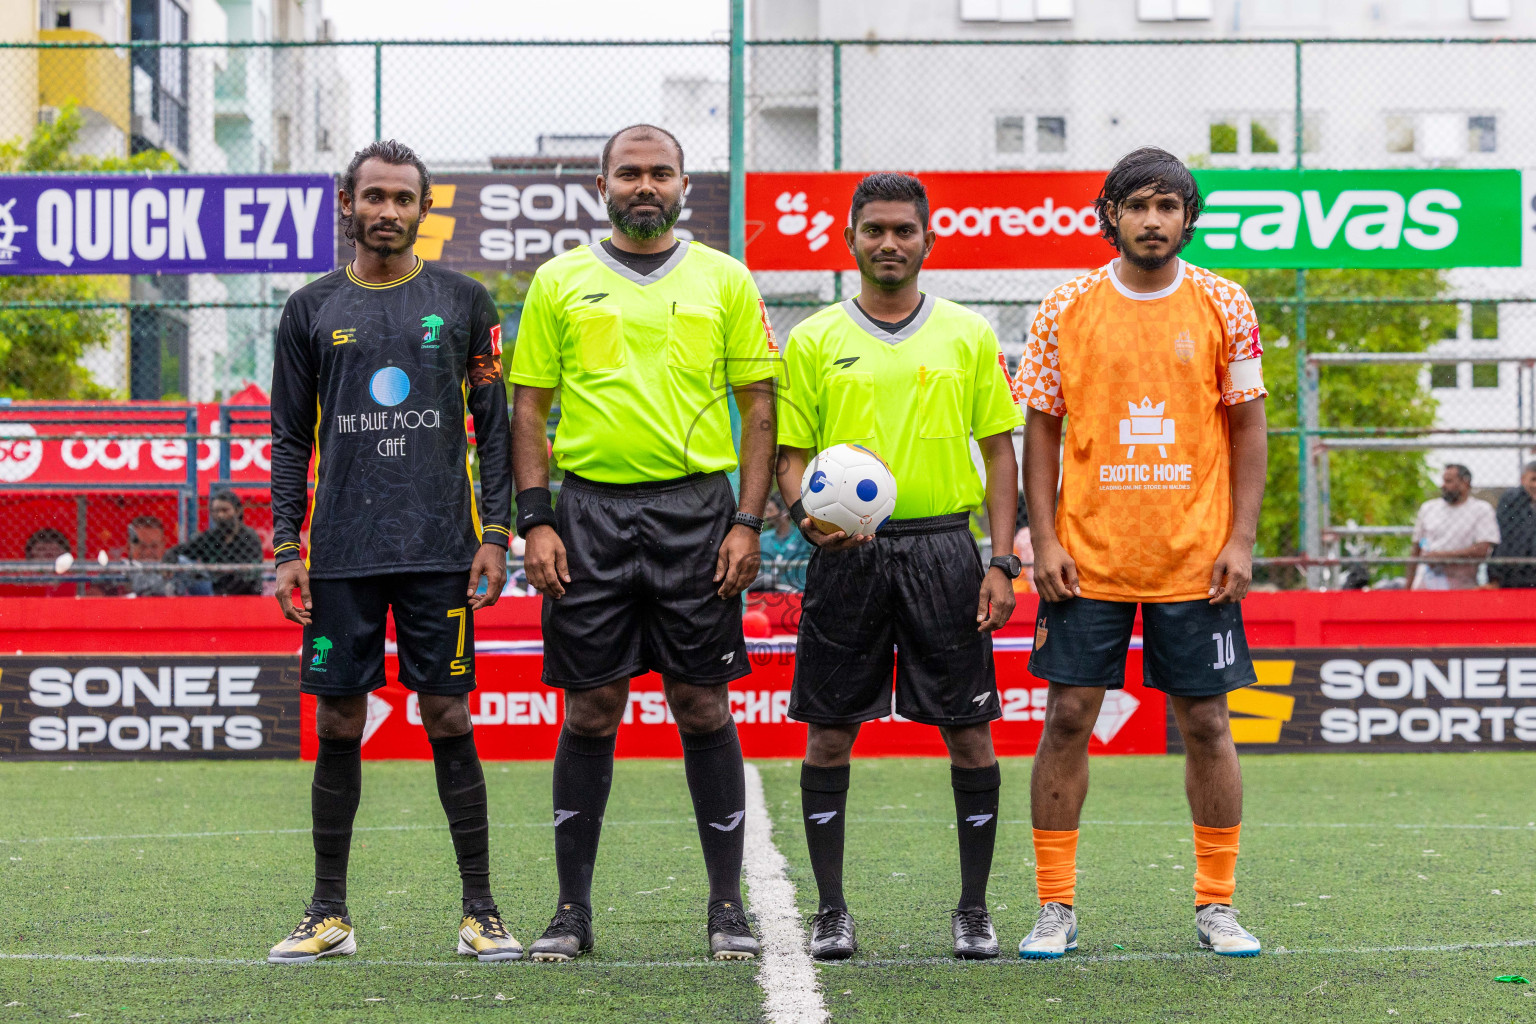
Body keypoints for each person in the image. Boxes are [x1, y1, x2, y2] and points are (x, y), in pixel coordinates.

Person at [509, 124, 778, 962]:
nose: (645, 185)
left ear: (684, 185)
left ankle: (727, 907)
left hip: (698, 515)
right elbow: (528, 409)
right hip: (587, 517)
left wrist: (746, 520)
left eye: (661, 172)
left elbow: (760, 407)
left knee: (702, 704)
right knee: (591, 708)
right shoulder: (559, 281)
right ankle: (570, 911)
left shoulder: (725, 280)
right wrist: (536, 517)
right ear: (603, 185)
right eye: (630, 173)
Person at [266, 139, 519, 965]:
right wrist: (283, 545)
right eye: (372, 196)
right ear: (348, 204)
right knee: (340, 719)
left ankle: (480, 910)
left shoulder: (465, 301)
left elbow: (496, 429)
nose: (387, 211)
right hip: (339, 554)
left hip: (441, 551)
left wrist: (494, 535)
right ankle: (327, 912)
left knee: (447, 712)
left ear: (421, 208)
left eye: (402, 199)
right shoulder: (308, 309)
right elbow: (287, 439)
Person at [1014, 148, 1268, 960]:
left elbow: (1250, 427)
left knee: (1206, 723)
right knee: (1066, 719)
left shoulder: (1225, 303)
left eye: (1168, 206)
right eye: (1137, 205)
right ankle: (1055, 907)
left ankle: (1216, 905)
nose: (1152, 220)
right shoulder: (1064, 307)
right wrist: (1043, 535)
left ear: (1188, 218)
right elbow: (1041, 430)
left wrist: (1240, 539)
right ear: (1110, 214)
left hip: (1196, 560)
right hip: (1085, 558)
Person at [775, 172, 1023, 961]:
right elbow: (789, 460)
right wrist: (806, 519)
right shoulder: (814, 339)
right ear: (849, 238)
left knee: (971, 736)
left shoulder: (967, 333)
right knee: (828, 737)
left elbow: (1000, 452)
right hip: (847, 559)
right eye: (874, 229)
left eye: (903, 230)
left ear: (927, 239)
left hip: (947, 550)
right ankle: (831, 910)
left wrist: (1003, 559)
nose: (889, 242)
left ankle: (974, 910)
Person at [1411, 464, 1500, 590]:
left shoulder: (1481, 510)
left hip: (1461, 585)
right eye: (1443, 481)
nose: (1443, 485)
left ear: (1465, 483)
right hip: (1425, 582)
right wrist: (1407, 587)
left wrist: (1442, 557)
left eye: (1449, 481)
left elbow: (1482, 549)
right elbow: (1415, 549)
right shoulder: (1429, 508)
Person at [171, 490, 263, 595]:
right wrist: (171, 556)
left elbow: (250, 575)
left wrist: (224, 594)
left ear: (237, 511)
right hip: (213, 590)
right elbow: (184, 551)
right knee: (182, 561)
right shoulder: (211, 537)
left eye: (225, 510)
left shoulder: (249, 537)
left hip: (243, 593)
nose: (220, 515)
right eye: (216, 511)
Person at [1491, 461, 1536, 588]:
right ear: (1523, 479)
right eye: (1533, 479)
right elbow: (1503, 537)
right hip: (1514, 571)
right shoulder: (1511, 499)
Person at [755, 493, 811, 590]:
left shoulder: (804, 537)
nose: (767, 515)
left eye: (770, 510)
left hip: (797, 596)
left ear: (784, 513)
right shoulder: (763, 539)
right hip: (766, 597)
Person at [23, 528, 74, 597]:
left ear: (63, 552)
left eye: (53, 550)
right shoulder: (24, 579)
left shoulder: (73, 580)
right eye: (41, 550)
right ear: (32, 554)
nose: (47, 553)